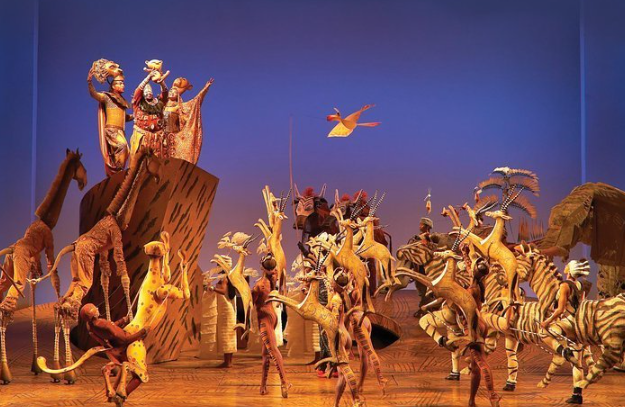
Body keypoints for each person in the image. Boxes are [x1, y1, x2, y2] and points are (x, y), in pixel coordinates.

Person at [540, 259, 590, 404]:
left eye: (568, 265)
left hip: (569, 322)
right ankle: (577, 395)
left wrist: (547, 321)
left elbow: (560, 310)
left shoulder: (564, 286)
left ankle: (563, 352)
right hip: (580, 324)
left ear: (570, 269)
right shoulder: (580, 285)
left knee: (544, 333)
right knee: (577, 362)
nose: (565, 266)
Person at [463, 249, 501, 407]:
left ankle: (493, 395)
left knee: (481, 362)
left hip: (474, 326)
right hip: (479, 324)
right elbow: (469, 267)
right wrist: (464, 253)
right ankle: (471, 401)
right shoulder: (478, 283)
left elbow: (468, 310)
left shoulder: (472, 289)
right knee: (474, 368)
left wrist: (470, 332)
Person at [252, 253, 290, 398]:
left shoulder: (259, 286)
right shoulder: (273, 278)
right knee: (265, 354)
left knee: (272, 350)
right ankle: (263, 386)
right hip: (271, 316)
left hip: (265, 319)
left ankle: (284, 381)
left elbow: (252, 304)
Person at [88, 64, 132, 176]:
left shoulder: (123, 101)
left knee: (126, 151)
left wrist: (135, 116)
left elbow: (124, 118)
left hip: (121, 131)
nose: (123, 85)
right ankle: (118, 171)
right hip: (111, 130)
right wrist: (89, 82)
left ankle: (117, 172)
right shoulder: (107, 97)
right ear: (113, 86)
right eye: (120, 83)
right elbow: (94, 94)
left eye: (123, 83)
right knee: (122, 146)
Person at [163, 77, 214, 164]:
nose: (171, 92)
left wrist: (205, 88)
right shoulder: (161, 106)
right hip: (161, 136)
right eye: (170, 91)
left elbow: (196, 101)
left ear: (178, 95)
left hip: (174, 138)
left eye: (174, 92)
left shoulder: (180, 107)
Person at [130, 71, 169, 158]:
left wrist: (161, 83)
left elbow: (165, 94)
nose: (148, 93)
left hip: (157, 138)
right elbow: (138, 92)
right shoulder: (138, 103)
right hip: (142, 136)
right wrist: (148, 78)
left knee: (159, 161)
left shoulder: (159, 103)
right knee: (137, 160)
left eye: (150, 91)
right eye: (146, 92)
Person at [207, 270, 238, 368]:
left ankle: (227, 362)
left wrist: (213, 288)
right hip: (227, 310)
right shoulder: (228, 278)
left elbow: (223, 291)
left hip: (226, 311)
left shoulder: (224, 278)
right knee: (228, 336)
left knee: (226, 336)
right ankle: (228, 361)